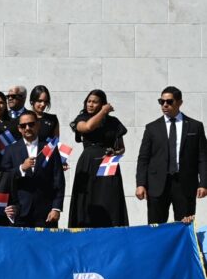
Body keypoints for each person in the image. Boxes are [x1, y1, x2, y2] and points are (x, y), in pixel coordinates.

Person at [136, 86, 207, 224]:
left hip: (185, 184)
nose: (165, 105)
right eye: (161, 102)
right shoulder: (152, 128)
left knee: (184, 226)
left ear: (179, 102)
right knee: (156, 227)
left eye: (169, 101)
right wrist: (140, 184)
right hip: (157, 186)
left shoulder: (195, 126)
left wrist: (203, 183)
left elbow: (203, 157)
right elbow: (143, 158)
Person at [68, 89, 129, 228]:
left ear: (102, 103)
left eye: (95, 102)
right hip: (88, 162)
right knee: (87, 198)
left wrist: (115, 152)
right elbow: (87, 127)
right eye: (88, 101)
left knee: (109, 198)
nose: (90, 104)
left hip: (108, 162)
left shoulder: (113, 122)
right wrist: (103, 111)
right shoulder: (81, 118)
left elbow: (122, 147)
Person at [1, 111, 65, 227]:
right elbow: (4, 177)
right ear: (19, 128)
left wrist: (56, 208)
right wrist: (21, 168)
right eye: (23, 126)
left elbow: (58, 179)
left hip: (46, 212)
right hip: (19, 212)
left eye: (31, 124)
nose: (27, 128)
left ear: (38, 125)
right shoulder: (11, 150)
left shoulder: (49, 148)